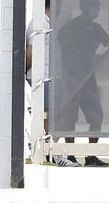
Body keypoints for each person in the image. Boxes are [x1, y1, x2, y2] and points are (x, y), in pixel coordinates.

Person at [26, 0, 80, 167]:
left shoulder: (54, 22)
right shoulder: (40, 21)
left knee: (58, 114)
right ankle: (49, 152)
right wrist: (26, 73)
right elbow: (30, 52)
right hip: (42, 76)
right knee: (50, 115)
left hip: (55, 76)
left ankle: (53, 152)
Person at [57, 0, 109, 167]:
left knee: (96, 115)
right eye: (92, 5)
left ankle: (91, 155)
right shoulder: (71, 27)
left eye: (97, 6)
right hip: (71, 77)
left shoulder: (96, 28)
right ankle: (70, 154)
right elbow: (60, 45)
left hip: (88, 77)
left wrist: (98, 61)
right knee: (69, 116)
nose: (95, 9)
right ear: (83, 6)